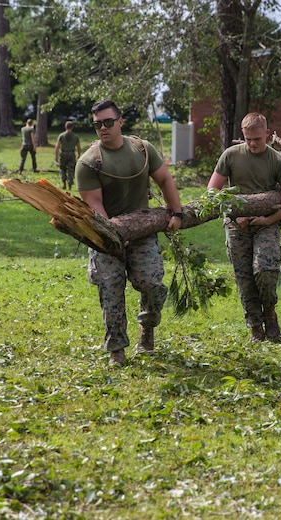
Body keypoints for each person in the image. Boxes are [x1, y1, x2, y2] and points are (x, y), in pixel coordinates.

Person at [75, 100, 184, 366]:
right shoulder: (88, 162)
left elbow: (165, 180)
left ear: (120, 121)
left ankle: (147, 325)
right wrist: (111, 234)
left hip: (142, 229)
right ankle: (117, 350)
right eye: (97, 124)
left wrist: (177, 212)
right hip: (105, 236)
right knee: (110, 289)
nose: (103, 128)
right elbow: (94, 204)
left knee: (152, 283)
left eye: (108, 122)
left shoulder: (142, 149)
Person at [208, 112, 281, 342]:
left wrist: (269, 220)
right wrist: (233, 213)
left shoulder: (277, 160)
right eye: (248, 139)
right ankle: (255, 327)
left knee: (266, 271)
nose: (252, 143)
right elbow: (212, 190)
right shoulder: (230, 155)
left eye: (257, 139)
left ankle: (270, 313)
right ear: (243, 134)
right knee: (244, 278)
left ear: (268, 134)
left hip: (266, 225)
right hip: (235, 224)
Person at [54, 121, 82, 190]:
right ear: (72, 127)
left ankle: (64, 183)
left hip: (63, 154)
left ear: (65, 127)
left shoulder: (61, 135)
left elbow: (57, 146)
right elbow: (78, 147)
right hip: (71, 154)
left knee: (62, 169)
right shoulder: (75, 136)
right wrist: (79, 155)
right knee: (71, 169)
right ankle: (70, 184)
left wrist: (56, 156)